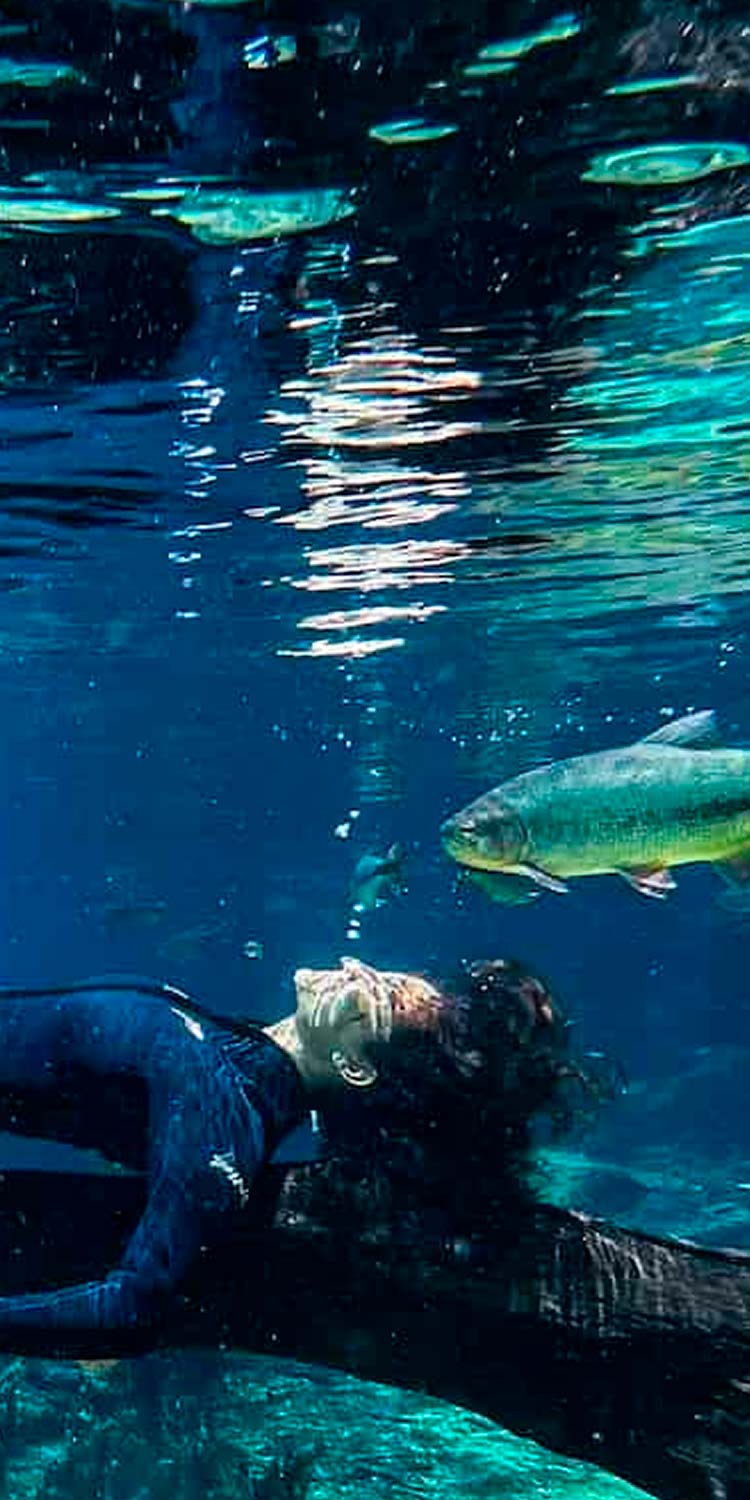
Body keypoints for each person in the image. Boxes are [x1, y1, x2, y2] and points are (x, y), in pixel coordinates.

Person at [0, 955, 595, 1339]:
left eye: (375, 997)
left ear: (354, 1067)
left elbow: (130, 1308)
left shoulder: (221, 1112)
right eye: (383, 976)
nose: (353, 964)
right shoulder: (225, 1055)